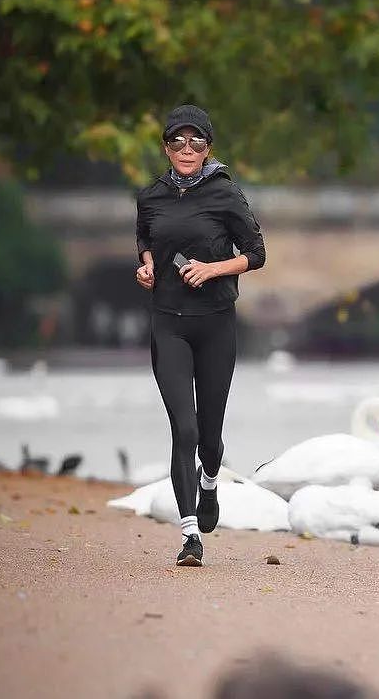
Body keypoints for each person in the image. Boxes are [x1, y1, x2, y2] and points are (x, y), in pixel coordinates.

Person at [134, 104, 266, 566]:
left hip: (215, 324)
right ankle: (190, 534)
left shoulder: (225, 194)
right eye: (177, 141)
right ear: (166, 146)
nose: (186, 150)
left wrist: (213, 269)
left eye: (196, 141)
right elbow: (146, 242)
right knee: (183, 429)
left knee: (209, 437)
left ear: (209, 146)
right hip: (168, 323)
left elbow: (256, 253)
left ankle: (211, 479)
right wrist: (147, 267)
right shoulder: (151, 196)